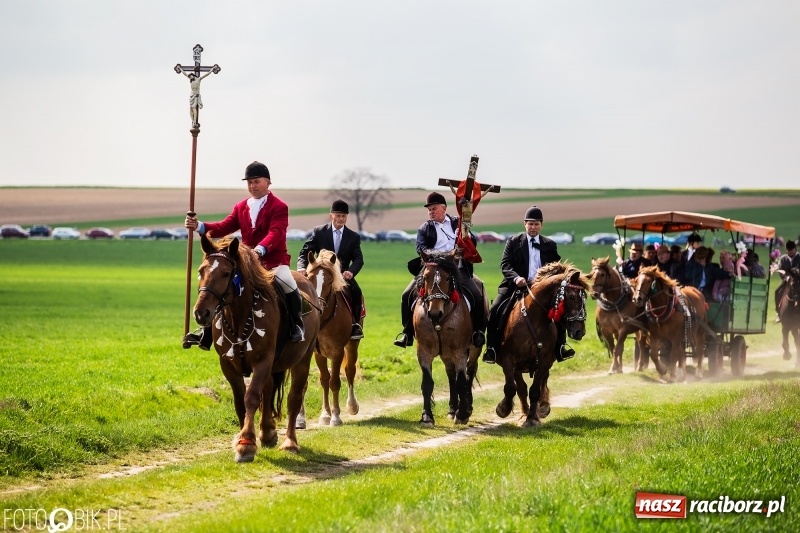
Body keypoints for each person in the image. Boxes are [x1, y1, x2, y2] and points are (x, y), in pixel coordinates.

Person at [182, 161, 305, 350]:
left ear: (268, 182)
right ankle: (206, 333)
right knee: (224, 287)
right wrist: (199, 226)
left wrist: (260, 249)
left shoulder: (279, 206)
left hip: (273, 261)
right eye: (249, 183)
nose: (252, 186)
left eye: (256, 182)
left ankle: (297, 325)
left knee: (287, 283)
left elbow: (277, 232)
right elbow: (224, 227)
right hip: (247, 263)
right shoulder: (241, 206)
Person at [393, 192, 486, 349]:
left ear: (444, 208)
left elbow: (473, 243)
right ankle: (407, 333)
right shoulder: (425, 228)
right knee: (406, 294)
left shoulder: (458, 223)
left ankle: (477, 332)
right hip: (432, 270)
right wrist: (445, 256)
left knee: (476, 295)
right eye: (429, 209)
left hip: (458, 269)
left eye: (434, 208)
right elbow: (420, 248)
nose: (431, 212)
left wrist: (467, 236)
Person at [482, 206, 571, 364]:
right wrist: (516, 278)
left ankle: (560, 347)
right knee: (495, 309)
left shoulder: (549, 244)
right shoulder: (514, 241)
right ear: (524, 224)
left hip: (543, 290)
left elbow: (558, 267)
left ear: (541, 225)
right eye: (530, 224)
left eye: (536, 224)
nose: (533, 227)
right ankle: (492, 349)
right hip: (515, 286)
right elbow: (505, 264)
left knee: (561, 310)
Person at [297, 199, 365, 339]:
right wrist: (302, 268)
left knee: (356, 292)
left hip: (342, 276)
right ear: (331, 216)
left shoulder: (353, 236)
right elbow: (305, 252)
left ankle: (355, 325)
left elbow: (359, 259)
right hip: (321, 274)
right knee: (301, 293)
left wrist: (350, 271)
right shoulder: (319, 232)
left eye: (344, 216)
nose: (341, 218)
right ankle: (299, 324)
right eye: (338, 215)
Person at [774, 240, 800, 321]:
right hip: (786, 281)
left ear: (795, 249)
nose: (790, 252)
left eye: (792, 250)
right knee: (777, 291)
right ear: (786, 250)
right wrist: (786, 278)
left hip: (798, 280)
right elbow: (780, 270)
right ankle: (778, 312)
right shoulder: (783, 259)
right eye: (789, 251)